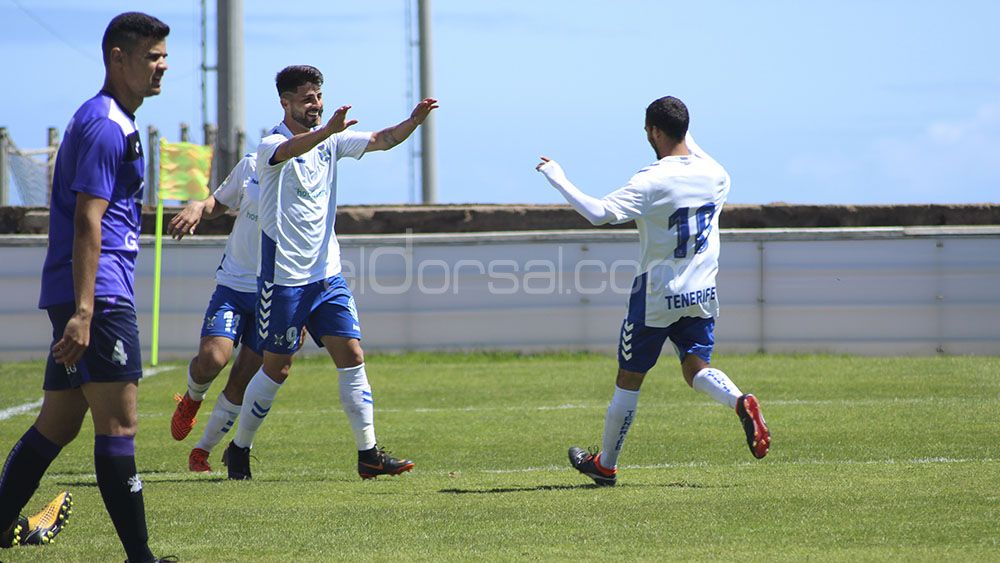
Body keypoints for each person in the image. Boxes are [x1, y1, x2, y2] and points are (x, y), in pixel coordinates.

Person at [0, 12, 175, 562]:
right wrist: (84, 309)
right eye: (151, 57)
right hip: (97, 296)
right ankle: (141, 559)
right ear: (117, 58)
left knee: (57, 422)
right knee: (119, 425)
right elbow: (87, 219)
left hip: (85, 293)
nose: (162, 67)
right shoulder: (106, 125)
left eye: (164, 56)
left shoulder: (114, 120)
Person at [536, 95, 771, 487]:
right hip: (701, 290)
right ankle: (739, 401)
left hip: (658, 294)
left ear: (654, 131)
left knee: (630, 377)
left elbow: (598, 214)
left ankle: (606, 464)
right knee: (696, 367)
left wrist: (556, 176)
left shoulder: (650, 180)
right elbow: (684, 139)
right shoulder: (717, 173)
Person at [221, 65, 438, 481]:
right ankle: (239, 448)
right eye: (306, 99)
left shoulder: (331, 140)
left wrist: (413, 121)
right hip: (283, 279)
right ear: (285, 102)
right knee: (277, 369)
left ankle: (368, 455)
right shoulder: (269, 146)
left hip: (327, 275)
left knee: (352, 355)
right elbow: (291, 150)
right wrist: (328, 131)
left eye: (318, 97)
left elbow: (382, 139)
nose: (315, 105)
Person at [167, 153, 264, 473]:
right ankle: (192, 399)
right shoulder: (255, 162)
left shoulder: (315, 173)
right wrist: (198, 206)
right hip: (234, 285)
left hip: (279, 292)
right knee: (213, 360)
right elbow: (218, 203)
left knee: (242, 380)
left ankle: (201, 452)